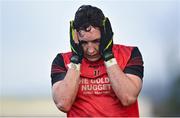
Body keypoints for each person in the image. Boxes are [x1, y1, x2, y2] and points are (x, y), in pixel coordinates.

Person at [51, 5, 144, 117]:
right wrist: (75, 60)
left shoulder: (130, 54)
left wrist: (108, 56)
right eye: (84, 43)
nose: (90, 50)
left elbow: (128, 98)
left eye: (96, 41)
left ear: (106, 34)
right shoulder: (62, 60)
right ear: (75, 37)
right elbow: (63, 103)